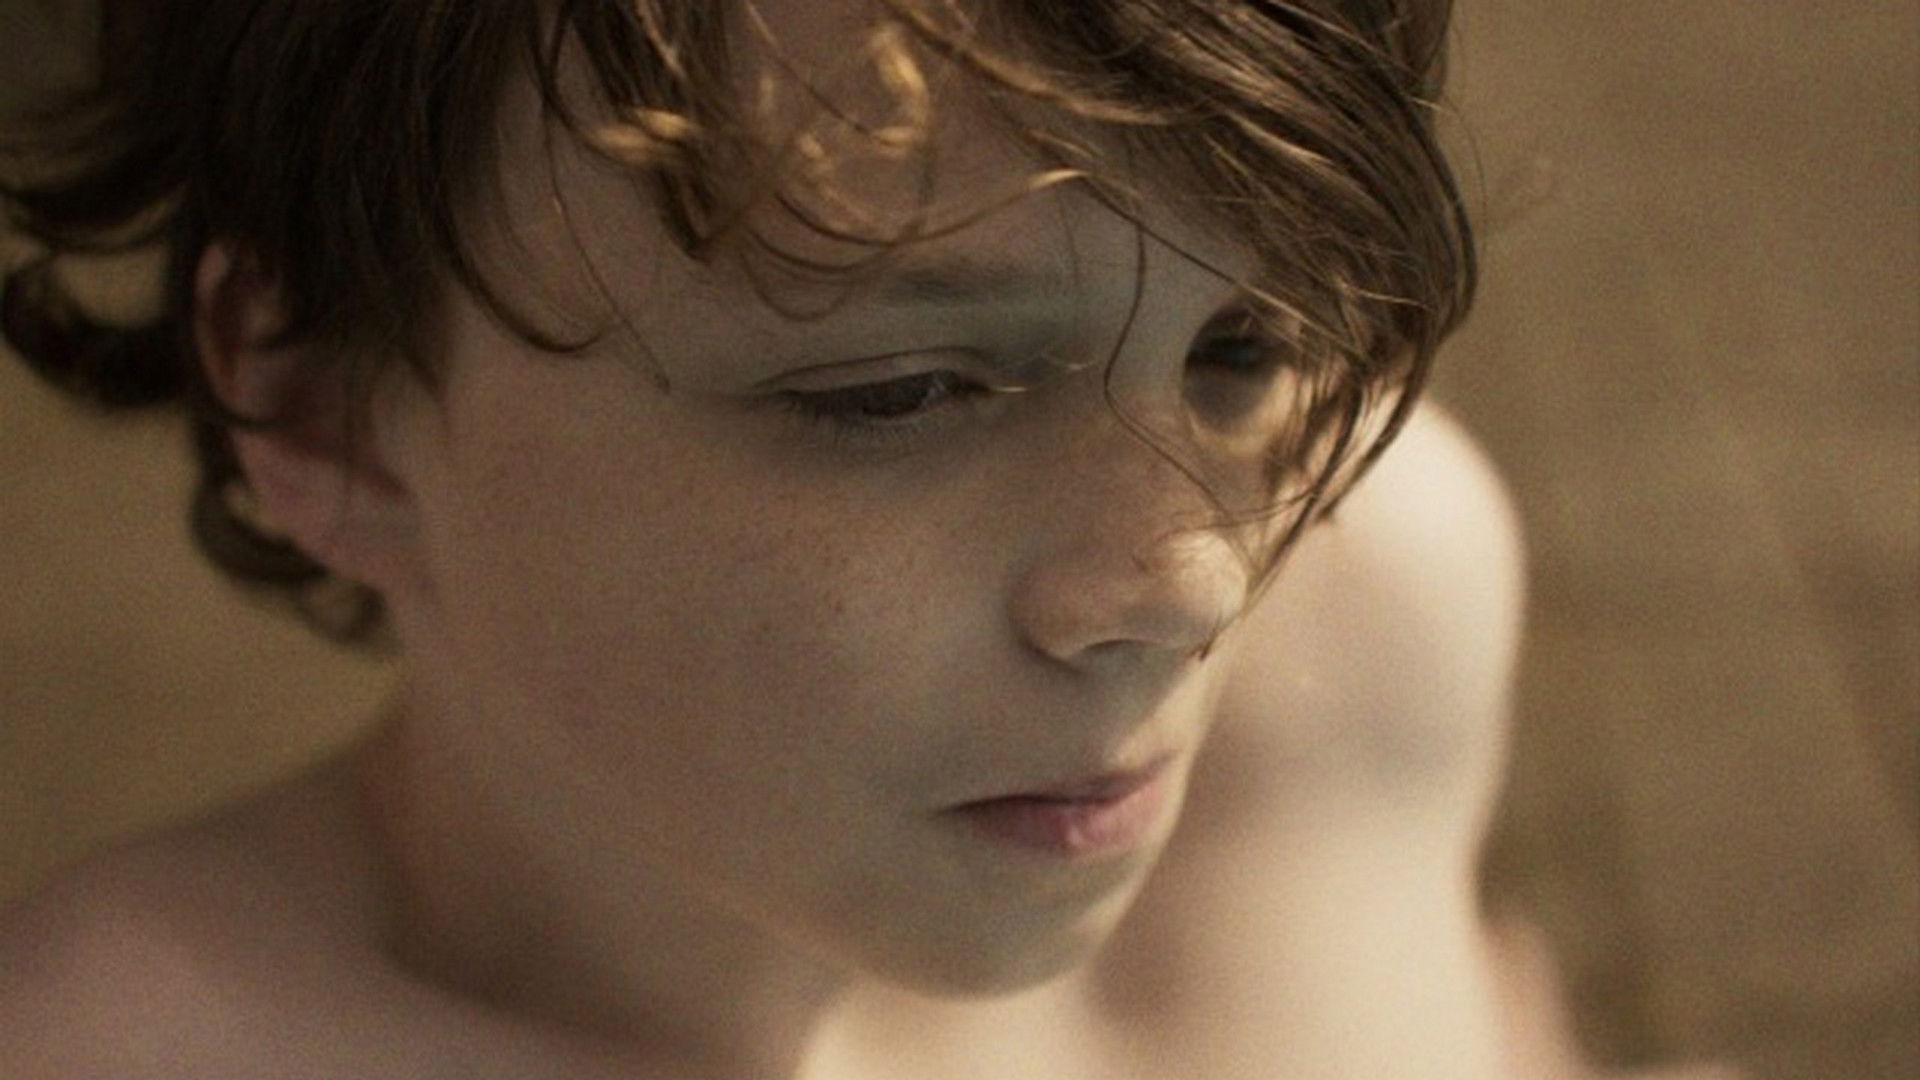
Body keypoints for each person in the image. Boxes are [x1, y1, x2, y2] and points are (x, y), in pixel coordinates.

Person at [0, 1, 1525, 1077]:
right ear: (323, 407)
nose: (1196, 582)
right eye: (900, 391)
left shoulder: (1372, 615)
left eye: (1248, 346)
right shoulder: (130, 1047)